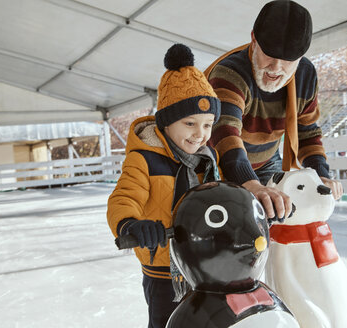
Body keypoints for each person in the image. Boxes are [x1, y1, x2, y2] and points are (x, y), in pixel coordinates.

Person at [107, 44, 221, 328]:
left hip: (205, 263)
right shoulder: (144, 159)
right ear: (167, 123)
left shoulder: (208, 161)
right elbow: (123, 198)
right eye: (190, 123)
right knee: (167, 323)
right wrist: (131, 225)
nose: (200, 134)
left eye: (208, 125)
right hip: (163, 270)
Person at [205, 0, 343, 220]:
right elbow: (224, 132)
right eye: (268, 54)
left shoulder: (305, 75)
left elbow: (307, 132)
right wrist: (251, 185)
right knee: (227, 226)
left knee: (280, 216)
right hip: (218, 161)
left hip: (267, 159)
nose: (276, 68)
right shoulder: (230, 72)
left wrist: (321, 177)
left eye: (288, 60)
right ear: (254, 40)